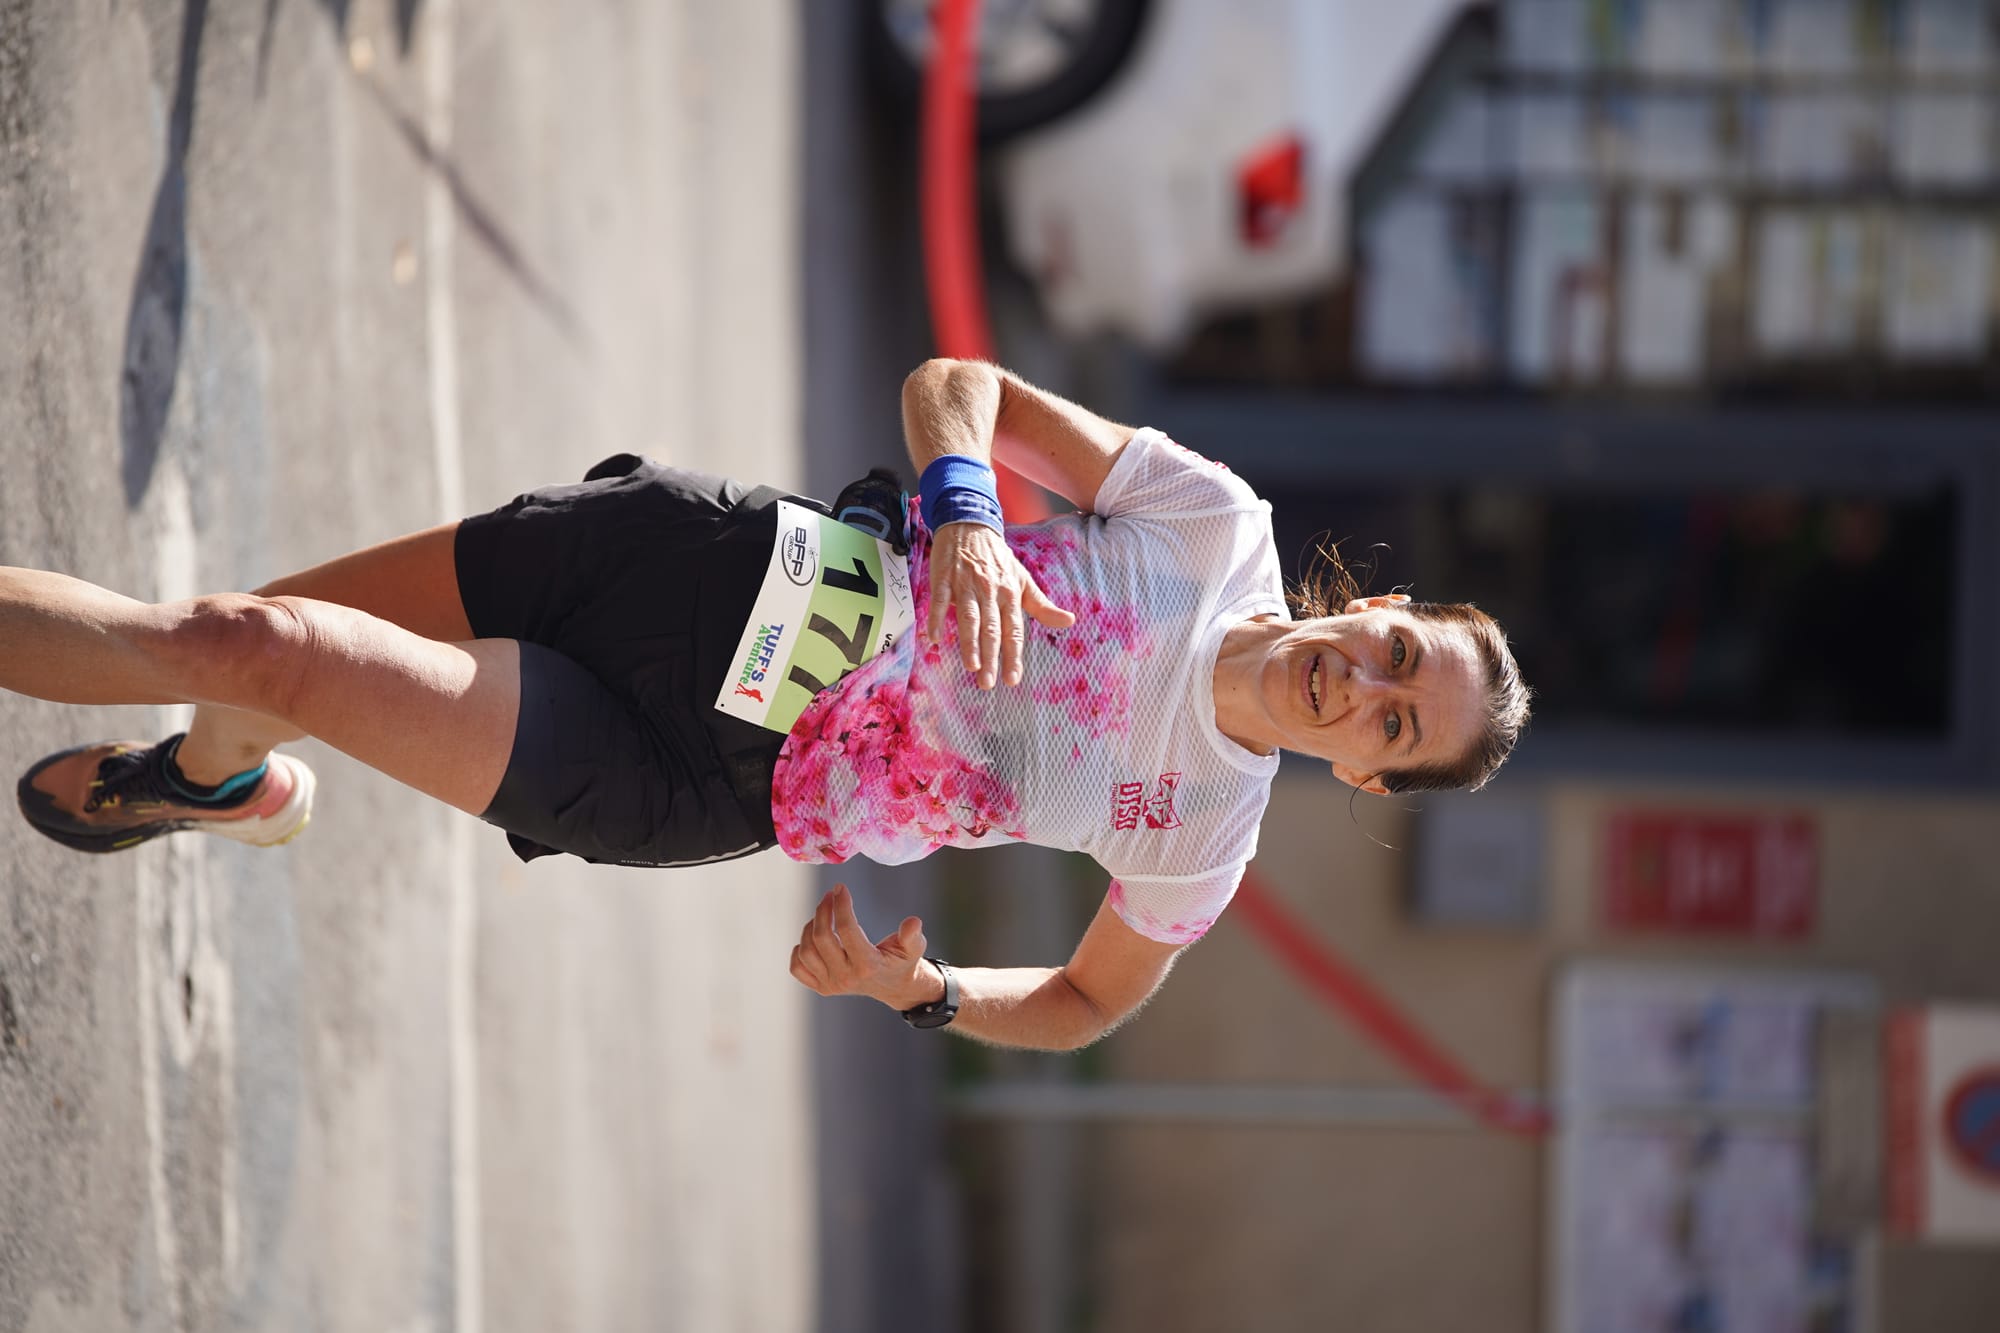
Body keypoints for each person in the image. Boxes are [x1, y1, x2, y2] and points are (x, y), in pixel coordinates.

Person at [4, 359, 1529, 1050]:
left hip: (692, 776)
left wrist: (916, 992)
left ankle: (215, 762)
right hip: (709, 567)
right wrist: (973, 517)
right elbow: (962, 387)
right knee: (241, 636)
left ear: (1372, 782)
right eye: (1401, 654)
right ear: (1381, 609)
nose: (1368, 686)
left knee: (264, 649)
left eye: (1396, 722)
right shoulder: (1215, 526)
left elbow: (1084, 1002)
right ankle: (214, 778)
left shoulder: (1200, 835)